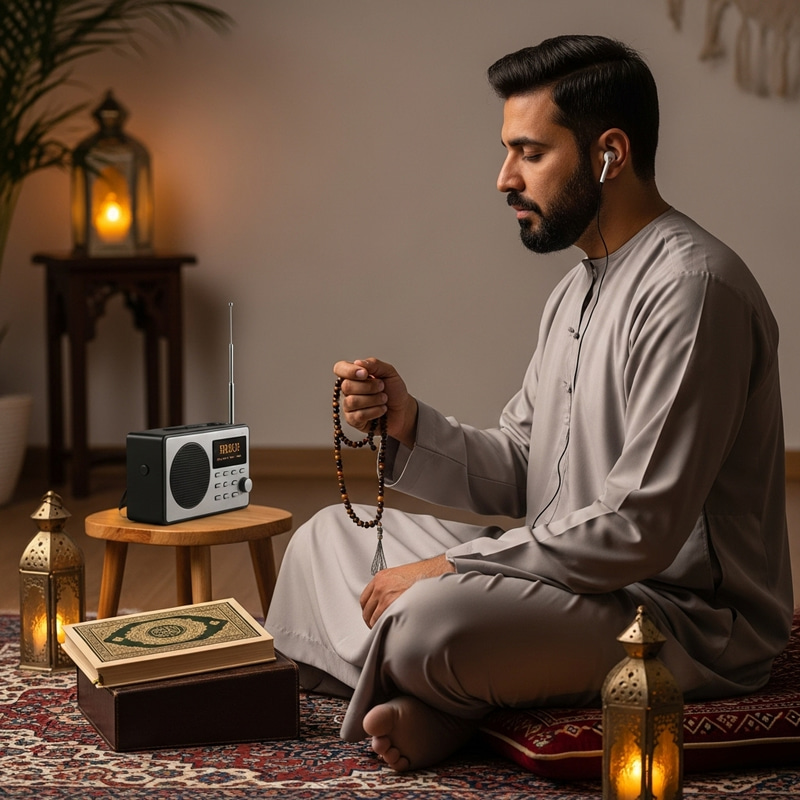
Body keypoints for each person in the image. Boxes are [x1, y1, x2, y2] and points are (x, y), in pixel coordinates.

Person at [265, 34, 793, 772]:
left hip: (675, 617)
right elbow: (522, 467)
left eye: (529, 153)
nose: (503, 178)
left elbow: (638, 530)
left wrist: (451, 568)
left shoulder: (693, 291)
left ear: (609, 153)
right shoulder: (576, 288)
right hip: (564, 585)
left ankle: (445, 697)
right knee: (326, 541)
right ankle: (452, 702)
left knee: (429, 622)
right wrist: (406, 419)